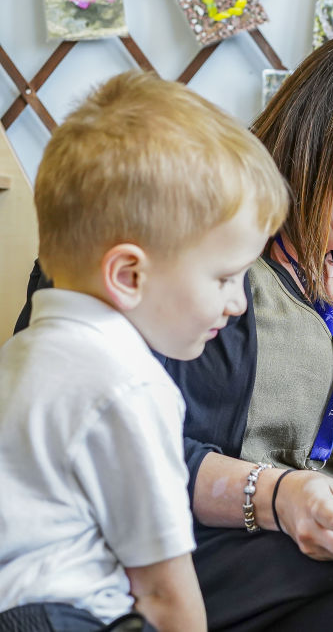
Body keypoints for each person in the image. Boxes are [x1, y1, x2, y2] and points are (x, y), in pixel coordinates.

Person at [14, 29, 333, 632]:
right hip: (217, 562)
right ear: (318, 126)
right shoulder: (180, 250)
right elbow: (111, 439)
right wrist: (276, 495)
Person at [0, 72, 288, 632]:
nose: (237, 303)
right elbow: (163, 593)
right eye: (225, 278)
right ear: (129, 275)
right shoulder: (131, 385)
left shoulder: (21, 356)